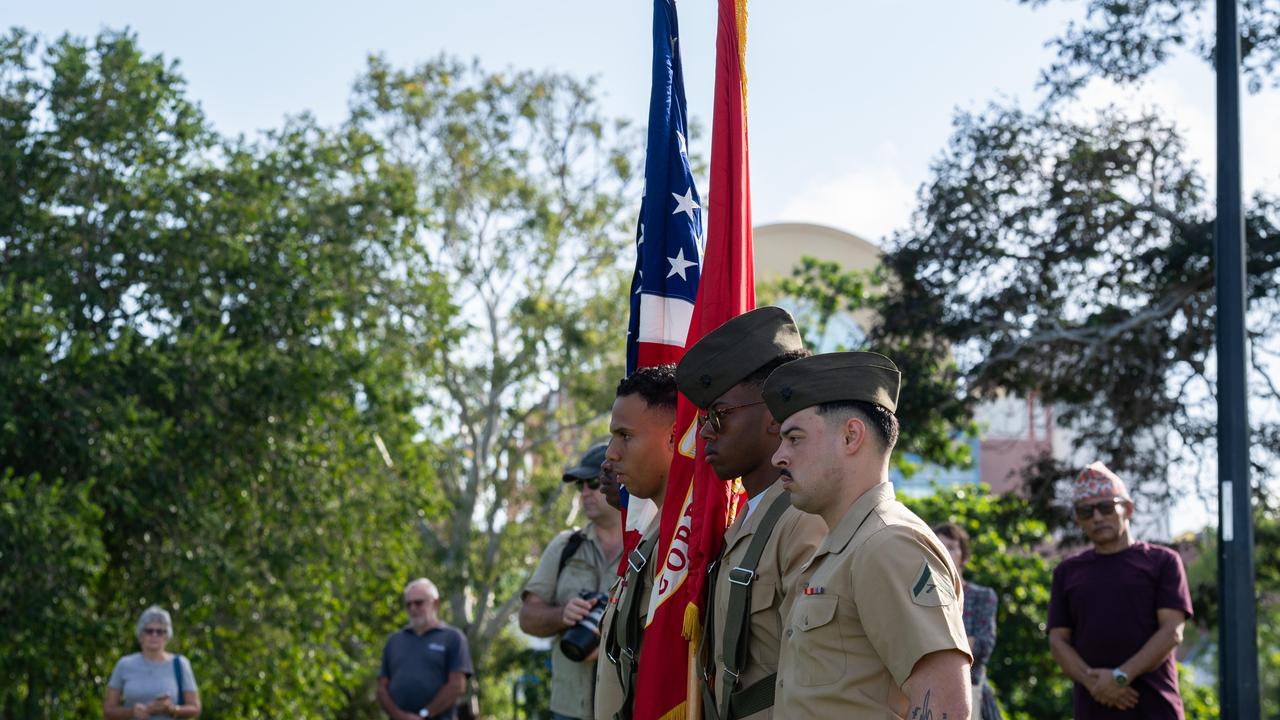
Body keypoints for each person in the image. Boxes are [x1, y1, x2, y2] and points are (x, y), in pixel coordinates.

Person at [762, 352, 973, 719]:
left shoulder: (889, 544)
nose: (778, 457)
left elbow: (945, 704)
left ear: (850, 436)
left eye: (794, 438)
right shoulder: (845, 547)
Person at [673, 306, 826, 720]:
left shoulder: (804, 520)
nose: (704, 432)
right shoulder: (745, 520)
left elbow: (818, 679)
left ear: (774, 414)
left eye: (718, 415)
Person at [1048, 462, 1193, 719]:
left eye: (1106, 506)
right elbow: (1058, 640)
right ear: (1078, 520)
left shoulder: (1163, 561)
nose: (1097, 517)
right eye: (1086, 511)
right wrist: (1095, 683)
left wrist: (1120, 677)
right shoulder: (1067, 572)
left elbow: (1172, 631)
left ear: (1127, 508)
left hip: (1156, 707)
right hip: (1093, 708)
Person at [594, 365, 678, 720]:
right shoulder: (651, 533)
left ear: (676, 437)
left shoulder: (686, 539)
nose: (611, 454)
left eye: (625, 436)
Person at [519, 442, 624, 720]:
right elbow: (527, 618)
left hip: (628, 707)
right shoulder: (565, 546)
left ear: (620, 481)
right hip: (569, 710)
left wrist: (613, 640)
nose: (586, 493)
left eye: (593, 482)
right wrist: (563, 616)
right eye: (580, 486)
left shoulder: (650, 545)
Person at [378, 578, 474, 720]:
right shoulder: (394, 641)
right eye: (408, 604)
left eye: (419, 602)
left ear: (435, 603)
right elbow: (381, 688)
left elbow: (457, 686)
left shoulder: (453, 637)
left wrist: (425, 714)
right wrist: (399, 716)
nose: (413, 608)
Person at [934, 522, 1002, 720]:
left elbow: (982, 646)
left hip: (972, 692)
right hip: (931, 694)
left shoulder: (983, 596)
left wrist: (937, 646)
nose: (944, 553)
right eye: (938, 547)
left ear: (964, 556)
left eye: (951, 547)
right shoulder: (921, 599)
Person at [104, 606, 201, 720]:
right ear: (141, 635)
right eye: (149, 631)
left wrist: (171, 709)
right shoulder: (124, 664)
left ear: (167, 636)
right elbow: (108, 710)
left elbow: (195, 708)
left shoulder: (180, 664)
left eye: (160, 632)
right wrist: (131, 712)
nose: (154, 635)